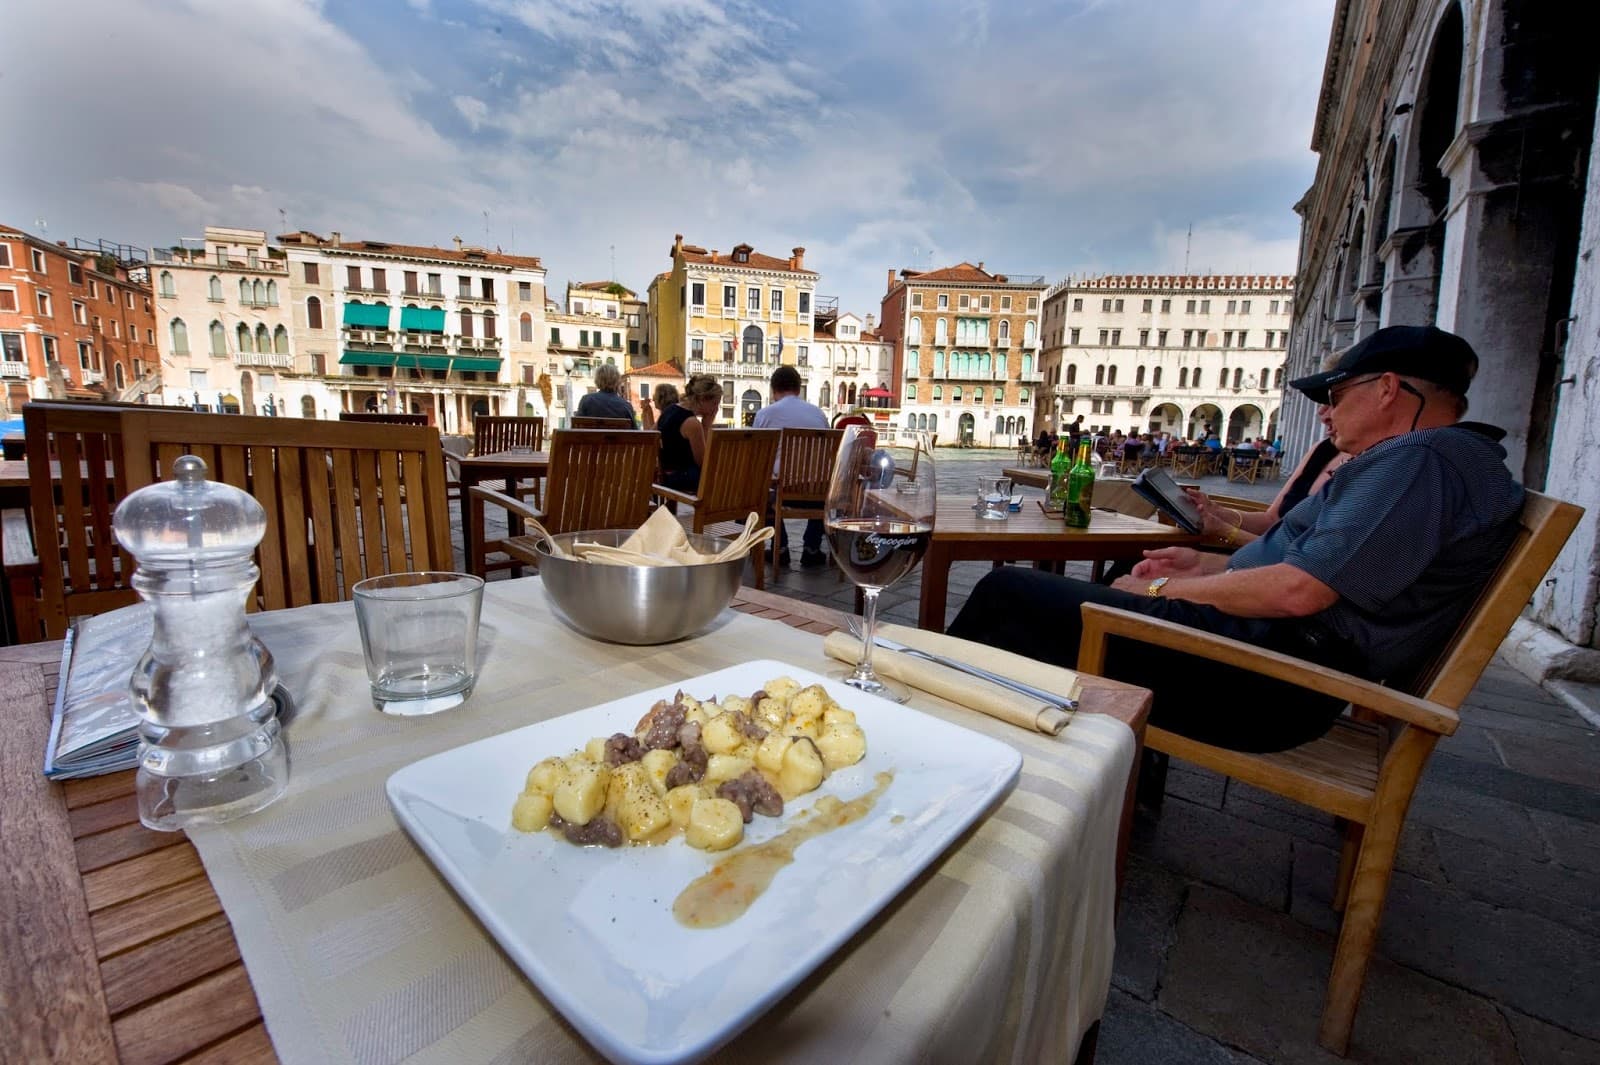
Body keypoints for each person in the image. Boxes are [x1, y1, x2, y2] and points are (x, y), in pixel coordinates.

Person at [947, 325, 1524, 753]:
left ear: (1388, 388)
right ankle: (1052, 755)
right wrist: (1209, 568)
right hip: (1265, 655)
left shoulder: (1420, 463)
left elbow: (1299, 591)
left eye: (1336, 395)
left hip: (1264, 685)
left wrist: (1165, 592)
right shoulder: (1436, 460)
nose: (1326, 414)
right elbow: (1310, 566)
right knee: (1105, 581)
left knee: (1008, 594)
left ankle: (959, 751)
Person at [753, 365, 830, 568]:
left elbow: (756, 457)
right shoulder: (819, 414)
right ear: (798, 388)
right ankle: (812, 548)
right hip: (818, 496)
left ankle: (780, 547)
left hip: (782, 493)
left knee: (759, 490)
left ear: (773, 389)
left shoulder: (765, 414)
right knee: (822, 486)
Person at [657, 374, 722, 491]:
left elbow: (651, 434)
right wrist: (706, 425)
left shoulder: (669, 410)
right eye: (715, 403)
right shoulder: (692, 423)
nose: (716, 408)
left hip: (666, 477)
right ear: (702, 399)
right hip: (683, 480)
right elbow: (704, 463)